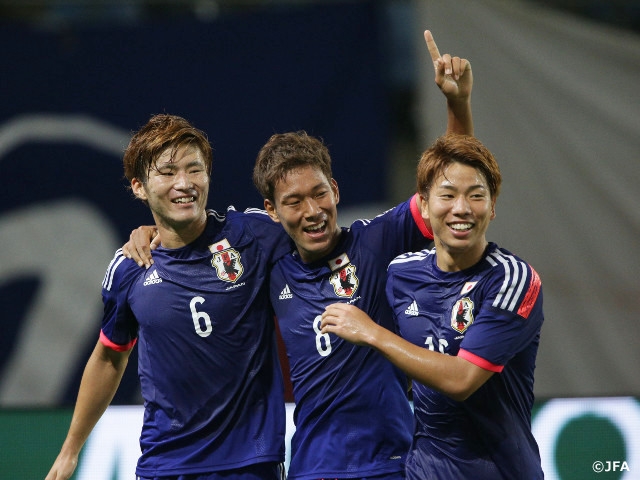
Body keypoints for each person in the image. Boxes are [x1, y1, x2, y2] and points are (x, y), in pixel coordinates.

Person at [124, 30, 473, 480]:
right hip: (310, 468)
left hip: (389, 464)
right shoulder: (269, 264)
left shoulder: (375, 243)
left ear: (336, 191)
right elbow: (194, 242)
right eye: (293, 201)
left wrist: (457, 104)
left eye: (319, 193)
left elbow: (448, 190)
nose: (312, 211)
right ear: (272, 212)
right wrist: (156, 230)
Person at [45, 114, 291, 480]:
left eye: (195, 169)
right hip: (165, 465)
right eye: (168, 172)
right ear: (139, 187)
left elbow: (323, 241)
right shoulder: (129, 268)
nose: (184, 183)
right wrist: (70, 451)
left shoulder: (253, 235)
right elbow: (110, 357)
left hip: (250, 465)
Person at [320, 134, 544, 479]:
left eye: (476, 195)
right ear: (424, 205)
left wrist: (371, 333)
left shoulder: (512, 279)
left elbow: (462, 379)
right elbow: (404, 368)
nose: (462, 208)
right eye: (448, 195)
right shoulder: (401, 274)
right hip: (424, 470)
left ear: (492, 206)